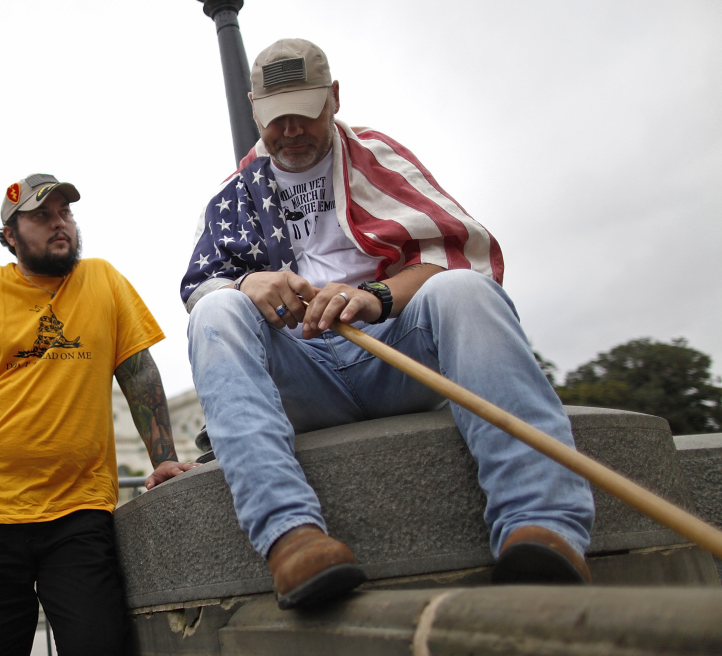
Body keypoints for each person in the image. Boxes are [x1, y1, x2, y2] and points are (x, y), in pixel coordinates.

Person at [181, 38, 596, 610]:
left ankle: (541, 525)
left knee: (464, 291)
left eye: (306, 110)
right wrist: (245, 286)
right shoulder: (234, 194)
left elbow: (463, 257)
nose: (293, 129)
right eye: (277, 118)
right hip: (305, 373)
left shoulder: (378, 155)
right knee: (216, 309)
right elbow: (199, 286)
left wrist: (375, 296)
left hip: (394, 353)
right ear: (254, 111)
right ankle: (290, 536)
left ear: (334, 98)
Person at [0, 173, 196, 655]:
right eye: (41, 216)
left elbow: (138, 374)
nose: (60, 224)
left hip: (79, 513)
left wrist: (164, 457)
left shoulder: (104, 280)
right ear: (10, 235)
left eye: (65, 213)